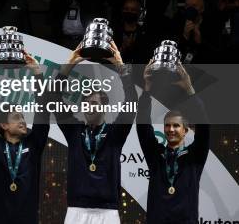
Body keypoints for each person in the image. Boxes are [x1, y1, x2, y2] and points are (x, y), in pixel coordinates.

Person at [47, 41, 137, 224]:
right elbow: (54, 98)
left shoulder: (114, 134)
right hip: (76, 210)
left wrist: (120, 67)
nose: (88, 108)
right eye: (85, 104)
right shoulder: (74, 130)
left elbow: (131, 104)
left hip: (108, 212)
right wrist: (68, 66)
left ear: (104, 106)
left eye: (94, 104)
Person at [0, 52, 49, 224]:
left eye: (22, 117)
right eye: (16, 118)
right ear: (3, 125)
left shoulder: (34, 144)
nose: (23, 121)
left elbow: (43, 113)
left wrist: (37, 74)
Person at [137, 62, 210, 224]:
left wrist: (189, 89)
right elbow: (142, 126)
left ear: (185, 130)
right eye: (167, 125)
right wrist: (147, 89)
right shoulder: (156, 156)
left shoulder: (195, 156)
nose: (171, 129)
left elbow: (204, 125)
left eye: (176, 125)